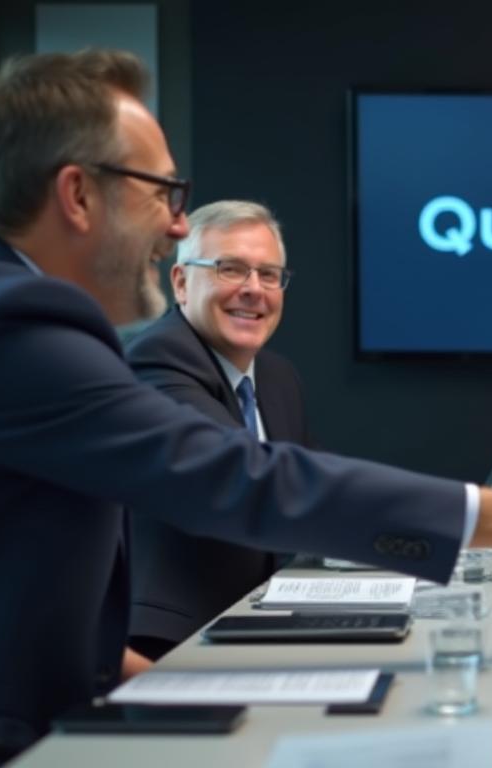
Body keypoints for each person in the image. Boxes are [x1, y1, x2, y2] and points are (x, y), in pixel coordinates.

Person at [0, 50, 492, 767]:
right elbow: (238, 477)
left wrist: (164, 685)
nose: (177, 226)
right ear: (77, 195)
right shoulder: (12, 328)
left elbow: (4, 585)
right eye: (162, 192)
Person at [124, 200, 309, 659]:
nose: (254, 290)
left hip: (259, 622)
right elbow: (260, 479)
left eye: (269, 275)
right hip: (171, 642)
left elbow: (313, 485)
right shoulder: (157, 359)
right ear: (181, 282)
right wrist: (450, 519)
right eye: (231, 269)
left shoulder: (277, 375)